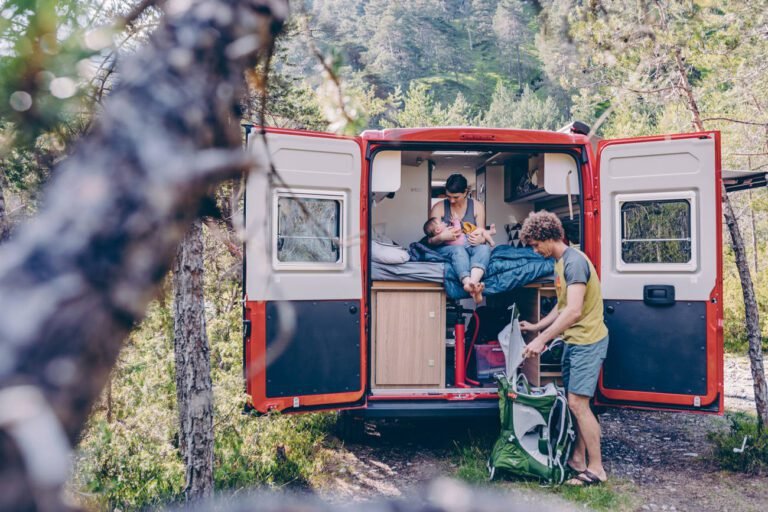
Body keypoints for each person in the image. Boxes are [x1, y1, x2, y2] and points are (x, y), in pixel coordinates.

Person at [517, 210, 609, 486]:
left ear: (547, 237)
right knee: (577, 403)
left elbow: (574, 312)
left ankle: (596, 469)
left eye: (535, 245)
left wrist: (541, 339)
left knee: (578, 404)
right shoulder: (560, 262)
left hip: (588, 341)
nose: (535, 250)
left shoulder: (574, 263)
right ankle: (578, 459)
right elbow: (561, 306)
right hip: (575, 341)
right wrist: (535, 327)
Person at [424, 174, 491, 302]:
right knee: (458, 250)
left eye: (456, 197)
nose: (452, 200)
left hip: (469, 245)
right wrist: (442, 237)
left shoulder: (477, 207)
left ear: (466, 192)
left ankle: (472, 284)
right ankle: (468, 282)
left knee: (484, 249)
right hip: (446, 248)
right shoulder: (438, 208)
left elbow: (481, 232)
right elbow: (429, 241)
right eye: (448, 196)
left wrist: (481, 239)